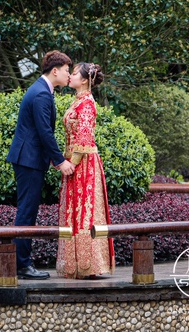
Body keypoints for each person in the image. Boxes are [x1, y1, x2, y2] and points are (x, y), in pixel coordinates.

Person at [7, 50, 76, 280]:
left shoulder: (42, 90)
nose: (69, 75)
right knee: (27, 211)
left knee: (27, 210)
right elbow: (44, 132)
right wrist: (60, 161)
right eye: (66, 70)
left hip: (29, 159)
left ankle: (20, 263)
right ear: (55, 71)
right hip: (28, 160)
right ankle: (21, 265)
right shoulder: (40, 94)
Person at [57, 62, 115, 279]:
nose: (70, 76)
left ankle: (89, 265)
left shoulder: (88, 103)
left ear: (83, 80)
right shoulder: (78, 101)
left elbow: (84, 137)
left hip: (84, 165)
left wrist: (71, 163)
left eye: (74, 73)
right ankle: (76, 264)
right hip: (75, 162)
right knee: (74, 210)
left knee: (85, 211)